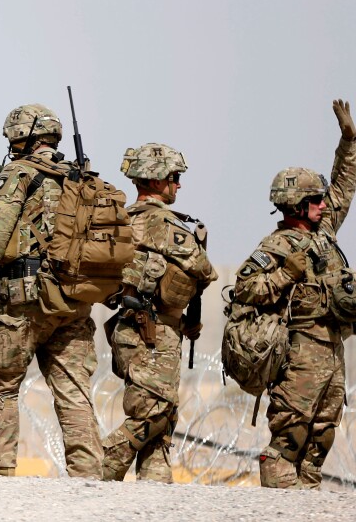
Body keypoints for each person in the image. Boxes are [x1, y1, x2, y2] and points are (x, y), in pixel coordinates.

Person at [0, 104, 103, 478]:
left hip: (25, 297)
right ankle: (88, 474)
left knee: (1, 382)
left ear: (20, 138)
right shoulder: (82, 177)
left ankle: (2, 472)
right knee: (73, 389)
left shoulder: (20, 173)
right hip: (74, 300)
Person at [233, 99, 356, 489]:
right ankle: (279, 504)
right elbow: (246, 289)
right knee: (291, 432)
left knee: (322, 433)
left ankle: (308, 499)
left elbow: (344, 186)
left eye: (321, 200)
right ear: (298, 206)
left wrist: (348, 142)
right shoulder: (276, 247)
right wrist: (286, 274)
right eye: (315, 201)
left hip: (333, 347)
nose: (324, 205)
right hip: (300, 349)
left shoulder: (323, 231)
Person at [101, 143, 217, 482]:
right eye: (174, 178)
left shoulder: (121, 218)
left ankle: (156, 494)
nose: (178, 185)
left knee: (161, 423)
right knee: (154, 414)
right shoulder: (163, 223)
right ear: (154, 181)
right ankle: (97, 471)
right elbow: (204, 270)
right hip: (152, 333)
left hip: (130, 329)